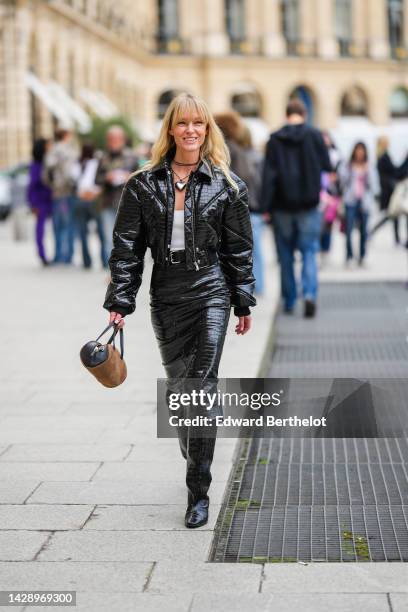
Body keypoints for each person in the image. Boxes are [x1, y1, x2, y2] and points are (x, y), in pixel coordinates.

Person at [103, 93, 256, 528]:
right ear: (170, 129)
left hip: (212, 292)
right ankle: (195, 448)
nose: (191, 130)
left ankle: (198, 493)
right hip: (166, 295)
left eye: (199, 124)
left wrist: (242, 298)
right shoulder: (142, 184)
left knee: (201, 389)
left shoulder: (227, 184)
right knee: (179, 392)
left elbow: (239, 250)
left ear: (208, 131)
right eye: (183, 123)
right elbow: (127, 249)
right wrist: (120, 302)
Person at [261, 98, 331, 318]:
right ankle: (309, 294)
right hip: (309, 205)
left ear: (286, 114)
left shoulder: (274, 139)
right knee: (310, 251)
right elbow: (328, 166)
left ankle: (290, 300)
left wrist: (266, 206)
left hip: (281, 206)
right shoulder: (314, 135)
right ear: (305, 114)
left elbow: (268, 176)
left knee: (285, 255)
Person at [214, 112, 265, 295]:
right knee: (252, 250)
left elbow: (241, 182)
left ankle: (248, 288)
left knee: (241, 251)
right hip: (248, 209)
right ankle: (256, 287)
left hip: (237, 209)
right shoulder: (238, 150)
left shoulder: (227, 151)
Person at [95, 126, 139, 257]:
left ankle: (125, 268)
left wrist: (128, 177)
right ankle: (112, 271)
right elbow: (96, 180)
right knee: (109, 238)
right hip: (107, 203)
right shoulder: (102, 157)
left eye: (116, 139)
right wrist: (106, 178)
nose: (113, 141)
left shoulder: (132, 156)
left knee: (125, 238)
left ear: (123, 140)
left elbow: (141, 179)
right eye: (111, 139)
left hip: (126, 204)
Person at [42, 128, 77, 264]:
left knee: (57, 225)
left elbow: (45, 174)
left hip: (56, 192)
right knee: (67, 224)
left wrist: (52, 185)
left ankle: (58, 255)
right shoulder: (67, 150)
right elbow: (70, 172)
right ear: (66, 135)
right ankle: (66, 255)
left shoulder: (51, 151)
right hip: (66, 191)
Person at [340, 142, 376, 267]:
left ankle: (362, 256)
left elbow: (373, 185)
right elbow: (342, 181)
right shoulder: (348, 165)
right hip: (350, 200)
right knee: (348, 230)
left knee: (363, 230)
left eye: (362, 151)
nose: (360, 153)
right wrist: (349, 171)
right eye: (357, 150)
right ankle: (349, 256)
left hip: (364, 201)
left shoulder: (369, 166)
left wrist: (367, 171)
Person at [72, 144, 108, 269]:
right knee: (101, 232)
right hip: (94, 199)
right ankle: (103, 260)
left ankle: (87, 261)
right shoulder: (97, 163)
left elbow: (74, 181)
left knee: (83, 232)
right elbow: (100, 181)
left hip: (82, 198)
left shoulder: (78, 163)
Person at [377, 136, 408, 246]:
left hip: (389, 191)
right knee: (390, 215)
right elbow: (395, 171)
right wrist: (406, 161)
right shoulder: (384, 157)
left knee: (393, 216)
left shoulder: (382, 156)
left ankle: (397, 239)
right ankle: (370, 233)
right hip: (389, 192)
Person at [27, 138, 53, 265]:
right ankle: (42, 255)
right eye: (48, 145)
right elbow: (32, 186)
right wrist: (33, 204)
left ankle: (58, 254)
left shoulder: (47, 162)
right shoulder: (35, 165)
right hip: (40, 201)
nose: (50, 147)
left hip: (51, 199)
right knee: (40, 229)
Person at [319, 131, 343, 258]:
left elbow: (340, 174)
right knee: (319, 224)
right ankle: (320, 248)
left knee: (329, 223)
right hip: (320, 194)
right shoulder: (315, 155)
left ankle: (326, 249)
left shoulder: (336, 156)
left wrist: (335, 178)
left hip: (332, 194)